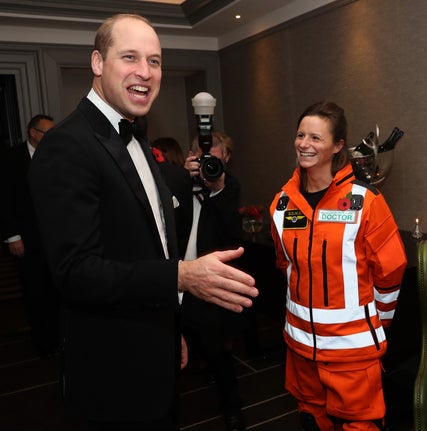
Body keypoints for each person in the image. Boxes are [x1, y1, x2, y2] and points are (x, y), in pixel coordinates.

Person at [27, 14, 257, 430]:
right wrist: (183, 276)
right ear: (97, 62)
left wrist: (171, 331)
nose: (145, 72)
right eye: (129, 57)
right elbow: (77, 273)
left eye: (154, 61)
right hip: (111, 372)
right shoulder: (67, 145)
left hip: (157, 352)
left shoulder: (136, 139)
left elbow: (146, 249)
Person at [270, 101, 407, 431]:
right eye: (301, 135)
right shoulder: (281, 204)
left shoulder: (366, 202)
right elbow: (285, 267)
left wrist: (374, 325)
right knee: (311, 422)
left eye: (316, 138)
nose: (305, 144)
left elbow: (390, 274)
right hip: (301, 349)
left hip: (353, 354)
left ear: (337, 146)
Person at [181, 131, 246, 431]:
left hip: (207, 278)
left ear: (227, 159)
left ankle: (233, 410)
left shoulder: (229, 186)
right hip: (175, 275)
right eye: (200, 155)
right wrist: (180, 179)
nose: (207, 162)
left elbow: (231, 232)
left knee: (217, 352)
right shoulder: (178, 181)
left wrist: (216, 188)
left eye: (214, 157)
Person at [1, 114, 59, 357]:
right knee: (35, 290)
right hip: (26, 238)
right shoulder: (10, 159)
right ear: (32, 132)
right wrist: (12, 235)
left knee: (56, 290)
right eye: (47, 133)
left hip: (55, 238)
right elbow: (3, 199)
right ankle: (43, 343)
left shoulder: (56, 155)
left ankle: (60, 339)